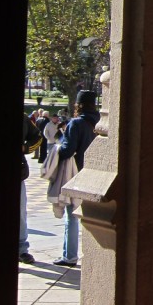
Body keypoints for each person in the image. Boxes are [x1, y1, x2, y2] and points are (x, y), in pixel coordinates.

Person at [49, 90, 100, 267]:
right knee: (94, 214)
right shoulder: (101, 121)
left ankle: (69, 255)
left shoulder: (76, 123)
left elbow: (67, 150)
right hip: (97, 173)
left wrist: (57, 148)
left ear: (78, 105)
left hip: (76, 173)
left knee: (71, 215)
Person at [20, 113, 35, 264]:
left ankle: (21, 249)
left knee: (20, 212)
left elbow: (37, 137)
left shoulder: (23, 118)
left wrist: (25, 147)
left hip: (18, 172)